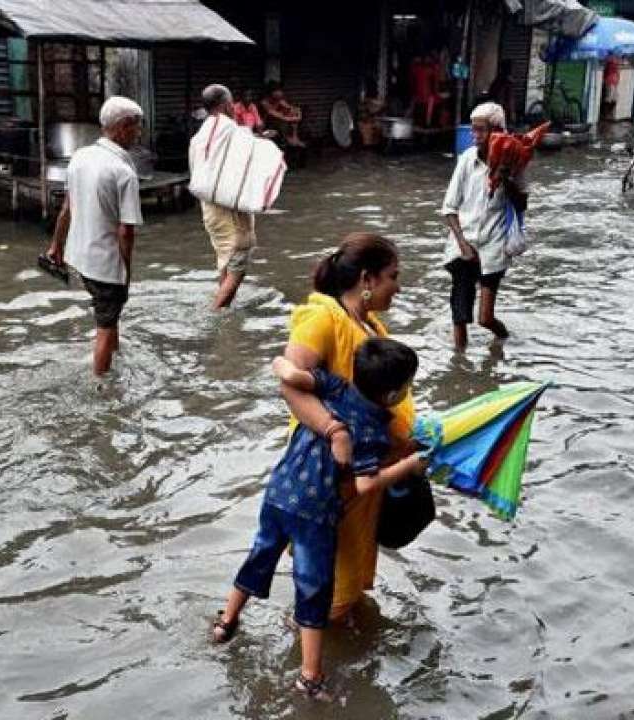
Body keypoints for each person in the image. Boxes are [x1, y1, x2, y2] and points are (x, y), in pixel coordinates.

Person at [210, 338, 426, 702]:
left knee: (259, 557)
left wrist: (285, 367)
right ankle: (310, 675)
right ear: (392, 396)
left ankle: (225, 623)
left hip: (279, 491)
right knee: (312, 589)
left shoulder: (333, 384)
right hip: (316, 513)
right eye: (406, 388)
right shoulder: (373, 431)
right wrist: (408, 466)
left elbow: (290, 373)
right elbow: (365, 483)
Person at [275, 233, 416, 629]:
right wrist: (335, 431)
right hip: (332, 476)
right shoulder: (324, 318)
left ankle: (336, 642)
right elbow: (290, 384)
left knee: (346, 574)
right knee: (329, 587)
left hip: (364, 472)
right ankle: (307, 665)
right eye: (393, 276)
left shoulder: (370, 324)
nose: (398, 286)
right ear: (368, 280)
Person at [40, 96, 144, 374]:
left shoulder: (80, 157)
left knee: (108, 315)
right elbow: (126, 231)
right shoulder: (124, 172)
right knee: (105, 328)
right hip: (106, 265)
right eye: (136, 126)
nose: (139, 132)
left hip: (80, 257)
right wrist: (126, 273)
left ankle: (116, 355)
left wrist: (56, 246)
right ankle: (100, 386)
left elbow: (67, 208)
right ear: (122, 127)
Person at [441, 102, 526, 349]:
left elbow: (521, 205)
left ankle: (503, 342)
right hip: (463, 242)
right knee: (460, 314)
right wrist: (463, 244)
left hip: (494, 245)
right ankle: (460, 361)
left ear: (497, 131)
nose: (474, 135)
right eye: (473, 129)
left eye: (480, 130)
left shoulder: (515, 161)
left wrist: (505, 179)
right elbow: (449, 208)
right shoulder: (467, 159)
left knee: (485, 318)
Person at [189, 84, 258, 309]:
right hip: (229, 210)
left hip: (209, 210)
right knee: (238, 264)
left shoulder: (199, 136)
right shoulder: (230, 129)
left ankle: (224, 310)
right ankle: (215, 316)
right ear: (228, 105)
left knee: (225, 259)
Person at [261, 81, 306, 148]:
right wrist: (296, 117)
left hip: (277, 129)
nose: (281, 93)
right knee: (282, 119)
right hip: (265, 131)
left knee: (290, 114)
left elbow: (293, 109)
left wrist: (297, 112)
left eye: (280, 90)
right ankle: (289, 139)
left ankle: (294, 138)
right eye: (278, 90)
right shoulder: (265, 103)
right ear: (272, 92)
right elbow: (282, 118)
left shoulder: (278, 101)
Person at [409, 52, 442, 127]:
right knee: (426, 111)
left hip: (423, 96)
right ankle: (427, 123)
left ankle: (425, 123)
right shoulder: (429, 70)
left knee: (422, 111)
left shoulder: (419, 69)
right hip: (426, 96)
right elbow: (435, 84)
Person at [488, 60, 516, 125]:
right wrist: (512, 113)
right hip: (502, 109)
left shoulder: (498, 79)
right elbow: (510, 99)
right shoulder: (506, 81)